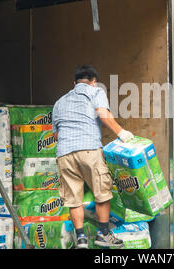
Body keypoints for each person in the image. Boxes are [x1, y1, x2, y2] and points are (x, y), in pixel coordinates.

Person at [52, 65, 134, 249]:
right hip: (89, 149)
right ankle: (104, 234)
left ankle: (81, 238)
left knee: (73, 199)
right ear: (94, 81)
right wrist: (121, 132)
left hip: (64, 154)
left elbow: (56, 135)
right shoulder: (95, 92)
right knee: (102, 193)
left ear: (74, 83)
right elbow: (103, 114)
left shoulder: (59, 102)